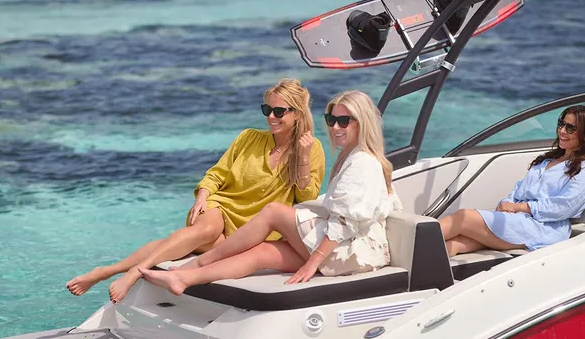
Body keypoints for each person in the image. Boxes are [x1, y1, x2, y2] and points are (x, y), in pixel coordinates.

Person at [66, 78, 326, 303]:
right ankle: (134, 273)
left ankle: (107, 270)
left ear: (298, 114)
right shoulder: (249, 137)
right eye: (267, 109)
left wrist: (302, 157)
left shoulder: (311, 149)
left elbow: (306, 200)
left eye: (279, 112)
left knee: (188, 243)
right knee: (205, 230)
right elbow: (218, 173)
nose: (271, 116)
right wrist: (203, 195)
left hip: (251, 230)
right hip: (220, 207)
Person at [138, 89, 401, 295]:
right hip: (341, 246)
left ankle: (197, 264)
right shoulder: (350, 156)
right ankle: (183, 279)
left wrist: (312, 263)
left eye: (344, 120)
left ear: (363, 123)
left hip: (348, 253)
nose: (335, 127)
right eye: (331, 119)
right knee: (262, 252)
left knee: (274, 212)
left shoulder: (362, 163)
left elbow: (345, 221)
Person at [439, 105, 585, 257]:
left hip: (544, 228)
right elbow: (519, 190)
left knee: (463, 217)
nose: (562, 130)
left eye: (570, 128)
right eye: (561, 124)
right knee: (458, 242)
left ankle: (413, 244)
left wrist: (519, 207)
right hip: (519, 221)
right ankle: (422, 273)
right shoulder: (547, 161)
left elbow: (563, 207)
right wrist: (507, 204)